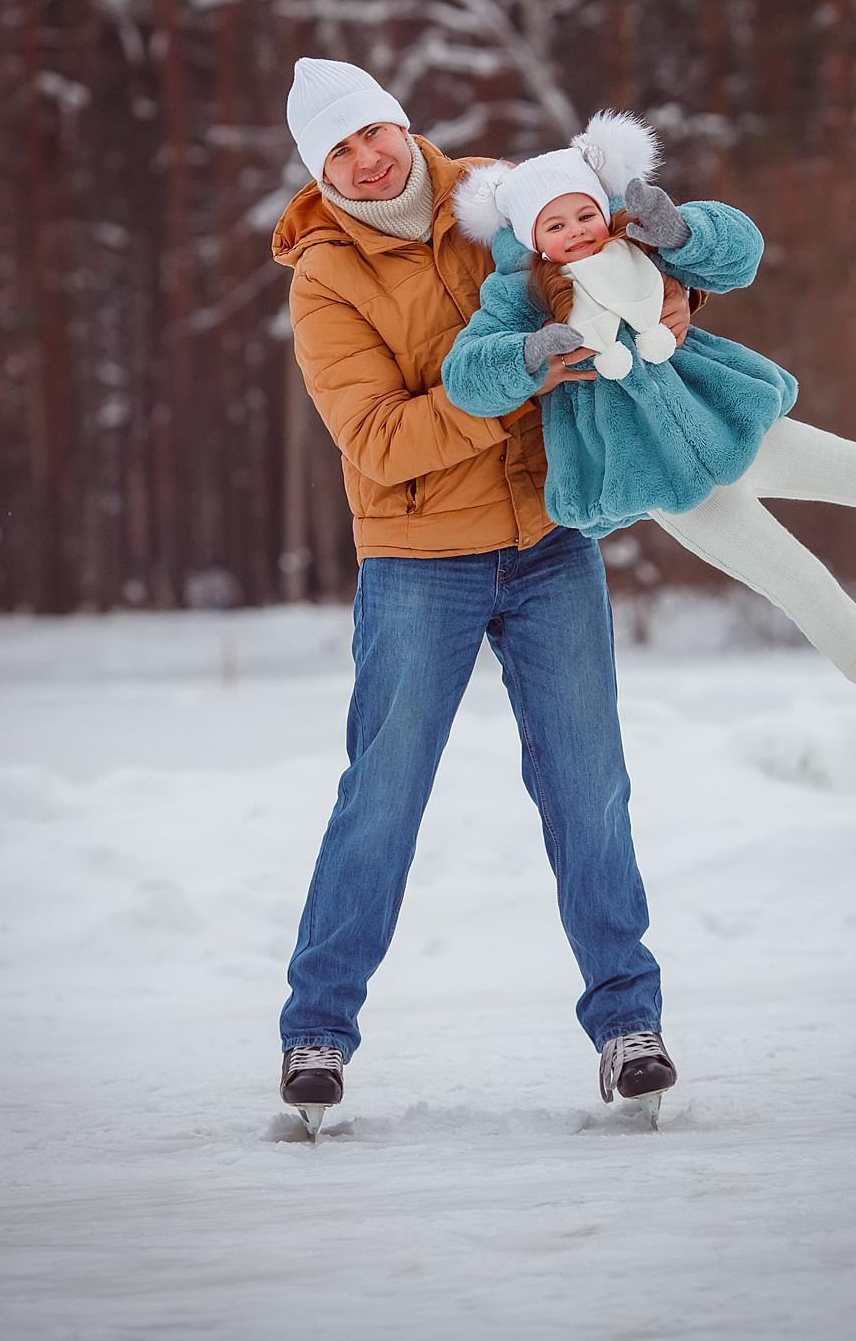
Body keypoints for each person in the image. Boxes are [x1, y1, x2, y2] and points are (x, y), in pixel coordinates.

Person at [270, 58, 688, 1136]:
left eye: (374, 131)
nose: (368, 159)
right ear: (320, 172)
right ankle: (316, 1029)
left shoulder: (499, 196)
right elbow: (374, 441)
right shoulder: (324, 276)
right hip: (417, 559)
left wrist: (665, 296)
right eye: (339, 152)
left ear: (400, 122)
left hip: (550, 539)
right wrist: (514, 389)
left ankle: (627, 1028)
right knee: (384, 794)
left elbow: (595, 271)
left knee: (589, 785)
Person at [442, 111, 856, 772]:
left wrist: (682, 231)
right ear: (534, 240)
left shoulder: (643, 245)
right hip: (673, 485)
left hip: (730, 419)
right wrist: (526, 354)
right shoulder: (519, 296)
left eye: (584, 215)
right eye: (556, 227)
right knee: (800, 582)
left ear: (602, 206)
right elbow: (466, 378)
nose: (577, 234)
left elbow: (742, 252)